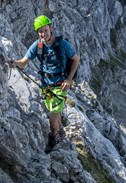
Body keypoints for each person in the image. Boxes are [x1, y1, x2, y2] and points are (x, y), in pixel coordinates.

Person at [11, 15, 79, 153]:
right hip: (46, 86)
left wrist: (69, 80)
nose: (43, 34)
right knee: (54, 111)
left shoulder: (62, 45)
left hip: (60, 85)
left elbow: (76, 60)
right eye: (40, 31)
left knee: (52, 118)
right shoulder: (38, 45)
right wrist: (13, 62)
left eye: (45, 30)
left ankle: (54, 137)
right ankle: (60, 129)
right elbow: (23, 63)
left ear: (50, 29)